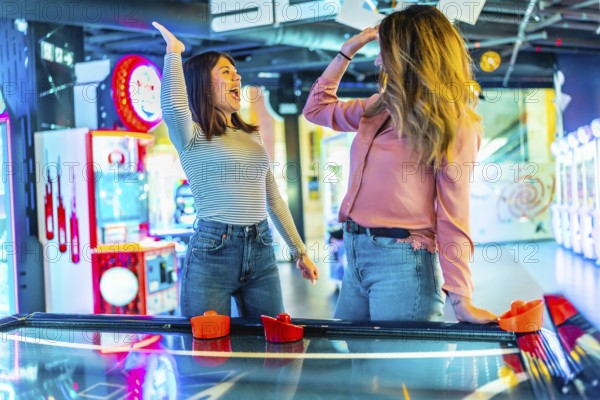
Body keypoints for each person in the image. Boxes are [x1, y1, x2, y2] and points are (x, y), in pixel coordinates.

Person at [303, 5, 497, 323]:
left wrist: (461, 299)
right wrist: (346, 52)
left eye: (384, 51)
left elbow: (453, 215)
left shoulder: (455, 123)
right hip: (356, 251)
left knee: (399, 367)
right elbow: (316, 109)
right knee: (356, 362)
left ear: (408, 55)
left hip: (403, 261)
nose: (378, 60)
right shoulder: (378, 107)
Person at [153, 21, 319, 318]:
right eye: (225, 72)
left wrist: (299, 250)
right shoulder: (190, 133)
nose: (237, 76)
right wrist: (173, 53)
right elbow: (174, 107)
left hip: (262, 247)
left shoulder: (251, 135)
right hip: (212, 250)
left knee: (272, 342)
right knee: (208, 351)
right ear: (202, 85)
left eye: (236, 72)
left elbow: (273, 198)